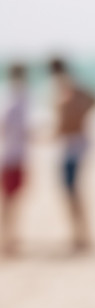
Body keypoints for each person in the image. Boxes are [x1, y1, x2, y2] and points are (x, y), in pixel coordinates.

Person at [49, 57, 95, 253]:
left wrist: (76, 121)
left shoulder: (67, 88)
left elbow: (65, 119)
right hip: (76, 143)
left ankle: (80, 236)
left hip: (73, 146)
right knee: (73, 191)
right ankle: (80, 234)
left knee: (71, 191)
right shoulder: (73, 87)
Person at [2, 62, 30, 255]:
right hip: (12, 157)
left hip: (14, 156)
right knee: (9, 201)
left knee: (12, 200)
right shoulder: (16, 99)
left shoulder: (16, 97)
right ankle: (7, 239)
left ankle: (10, 237)